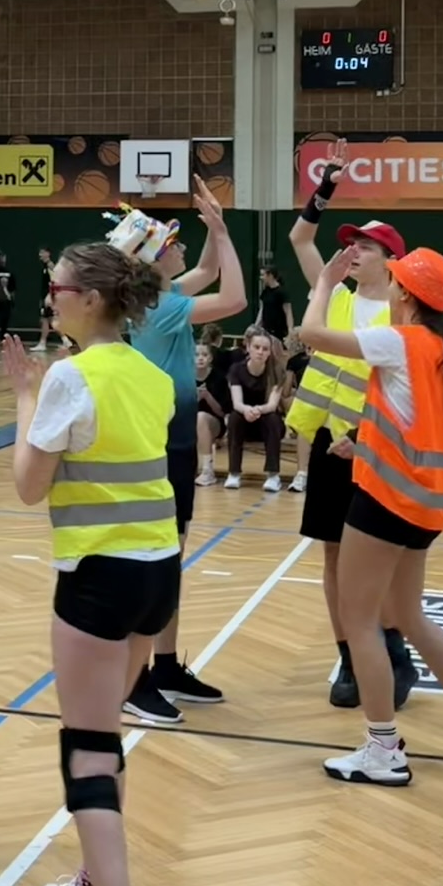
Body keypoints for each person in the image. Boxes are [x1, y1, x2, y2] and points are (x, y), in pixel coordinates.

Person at [0, 241, 178, 886]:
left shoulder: (71, 377)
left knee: (87, 753)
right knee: (107, 736)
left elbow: (28, 486)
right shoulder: (150, 373)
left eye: (57, 287)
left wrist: (24, 398)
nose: (50, 298)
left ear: (92, 299)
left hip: (100, 578)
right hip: (159, 575)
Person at [298, 243, 443, 786]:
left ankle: (383, 749)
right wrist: (364, 442)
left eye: (396, 279)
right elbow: (415, 422)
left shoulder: (400, 340)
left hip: (388, 501)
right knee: (409, 617)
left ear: (406, 293)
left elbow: (312, 336)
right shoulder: (440, 346)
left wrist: (325, 285)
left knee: (360, 621)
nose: (391, 285)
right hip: (425, 503)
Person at [287, 143, 416, 711]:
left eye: (365, 246)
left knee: (382, 560)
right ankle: (348, 655)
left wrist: (365, 439)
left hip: (377, 447)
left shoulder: (403, 314)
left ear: (390, 260)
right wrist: (325, 188)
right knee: (334, 557)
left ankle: (393, 650)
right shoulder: (334, 294)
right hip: (328, 442)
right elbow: (300, 240)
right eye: (352, 245)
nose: (353, 252)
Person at [118, 182, 246, 727]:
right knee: (157, 560)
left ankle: (165, 665)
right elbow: (235, 299)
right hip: (161, 441)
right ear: (153, 262)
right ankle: (133, 682)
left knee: (171, 556)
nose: (183, 247)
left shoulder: (160, 297)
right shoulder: (163, 307)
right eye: (173, 244)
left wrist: (216, 226)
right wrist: (221, 231)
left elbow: (211, 271)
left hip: (172, 441)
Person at [224, 326, 285, 492]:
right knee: (235, 417)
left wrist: (257, 410)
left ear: (270, 352)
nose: (260, 352)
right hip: (245, 419)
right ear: (248, 347)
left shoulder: (276, 370)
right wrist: (247, 410)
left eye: (265, 349)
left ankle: (273, 475)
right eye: (256, 347)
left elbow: (272, 405)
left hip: (266, 420)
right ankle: (234, 473)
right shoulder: (236, 369)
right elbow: (237, 403)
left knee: (273, 419)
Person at [195, 340, 230, 488]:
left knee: (201, 417)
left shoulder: (219, 378)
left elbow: (222, 412)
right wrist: (195, 398)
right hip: (188, 421)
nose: (200, 358)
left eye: (204, 355)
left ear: (210, 358)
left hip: (214, 422)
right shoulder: (185, 376)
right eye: (196, 354)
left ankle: (207, 470)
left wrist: (207, 397)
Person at [258, 263, 294, 345]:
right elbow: (262, 310)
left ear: (270, 275)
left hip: (279, 331)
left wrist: (290, 330)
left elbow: (288, 312)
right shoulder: (265, 291)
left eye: (263, 275)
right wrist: (257, 325)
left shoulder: (281, 292)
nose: (261, 277)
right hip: (266, 330)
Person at [32, 246, 56, 353]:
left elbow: (54, 281)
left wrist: (49, 296)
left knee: (45, 319)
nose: (40, 255)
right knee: (51, 320)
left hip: (48, 297)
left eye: (42, 253)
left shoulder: (50, 266)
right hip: (46, 297)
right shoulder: (45, 266)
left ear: (48, 253)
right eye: (39, 253)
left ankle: (42, 343)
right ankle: (66, 341)